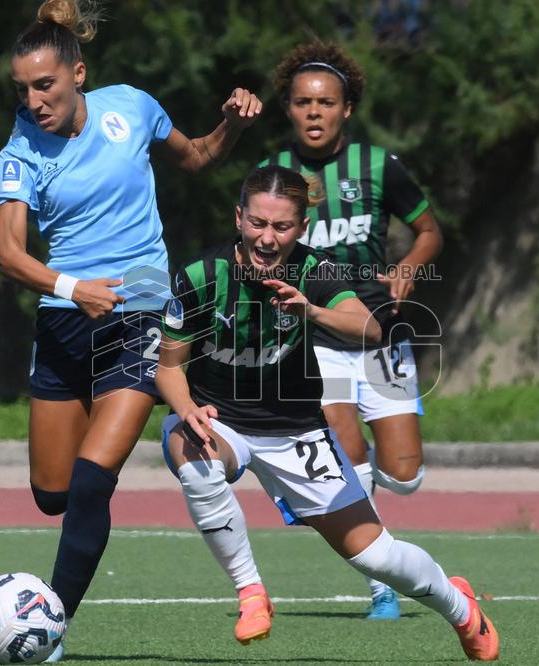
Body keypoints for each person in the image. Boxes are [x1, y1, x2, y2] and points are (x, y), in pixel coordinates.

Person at [0, 1, 261, 660]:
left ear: (78, 74)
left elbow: (196, 157)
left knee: (92, 483)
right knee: (53, 496)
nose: (34, 101)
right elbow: (9, 252)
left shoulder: (132, 107)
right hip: (63, 326)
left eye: (45, 86)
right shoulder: (20, 148)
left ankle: (48, 628)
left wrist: (229, 123)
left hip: (141, 315)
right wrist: (70, 287)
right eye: (23, 90)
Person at [156, 165, 498, 661]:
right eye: (257, 223)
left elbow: (371, 329)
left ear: (300, 229)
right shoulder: (199, 276)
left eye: (281, 227)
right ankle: (251, 592)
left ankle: (461, 608)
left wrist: (311, 313)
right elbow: (169, 367)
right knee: (188, 446)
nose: (267, 238)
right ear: (238, 218)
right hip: (223, 422)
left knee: (377, 556)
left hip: (296, 431)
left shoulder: (316, 271)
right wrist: (187, 407)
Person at [259, 41, 442, 620]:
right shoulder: (275, 179)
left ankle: (380, 507)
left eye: (326, 102)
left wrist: (409, 268)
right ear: (288, 109)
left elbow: (430, 231)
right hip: (315, 343)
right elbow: (255, 247)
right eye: (302, 102)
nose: (314, 112)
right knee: (350, 459)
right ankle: (381, 583)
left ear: (347, 109)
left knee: (405, 477)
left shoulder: (379, 166)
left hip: (379, 336)